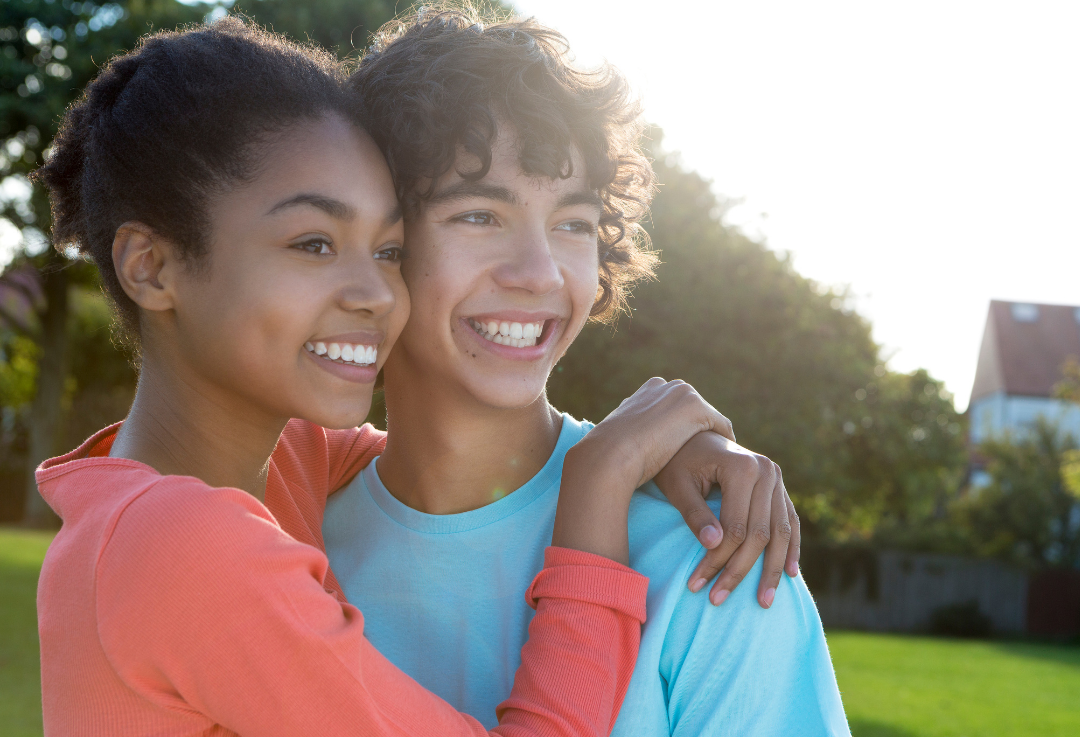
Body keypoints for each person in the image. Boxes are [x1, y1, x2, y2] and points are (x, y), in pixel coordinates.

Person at [32, 18, 751, 736]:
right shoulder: (185, 543)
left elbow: (441, 451)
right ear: (150, 267)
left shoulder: (267, 464)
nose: (376, 293)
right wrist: (602, 480)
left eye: (387, 249)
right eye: (313, 242)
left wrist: (672, 442)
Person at [322, 8, 853, 736]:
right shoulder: (286, 538)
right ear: (378, 241)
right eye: (479, 214)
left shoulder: (709, 556)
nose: (541, 274)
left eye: (572, 223)